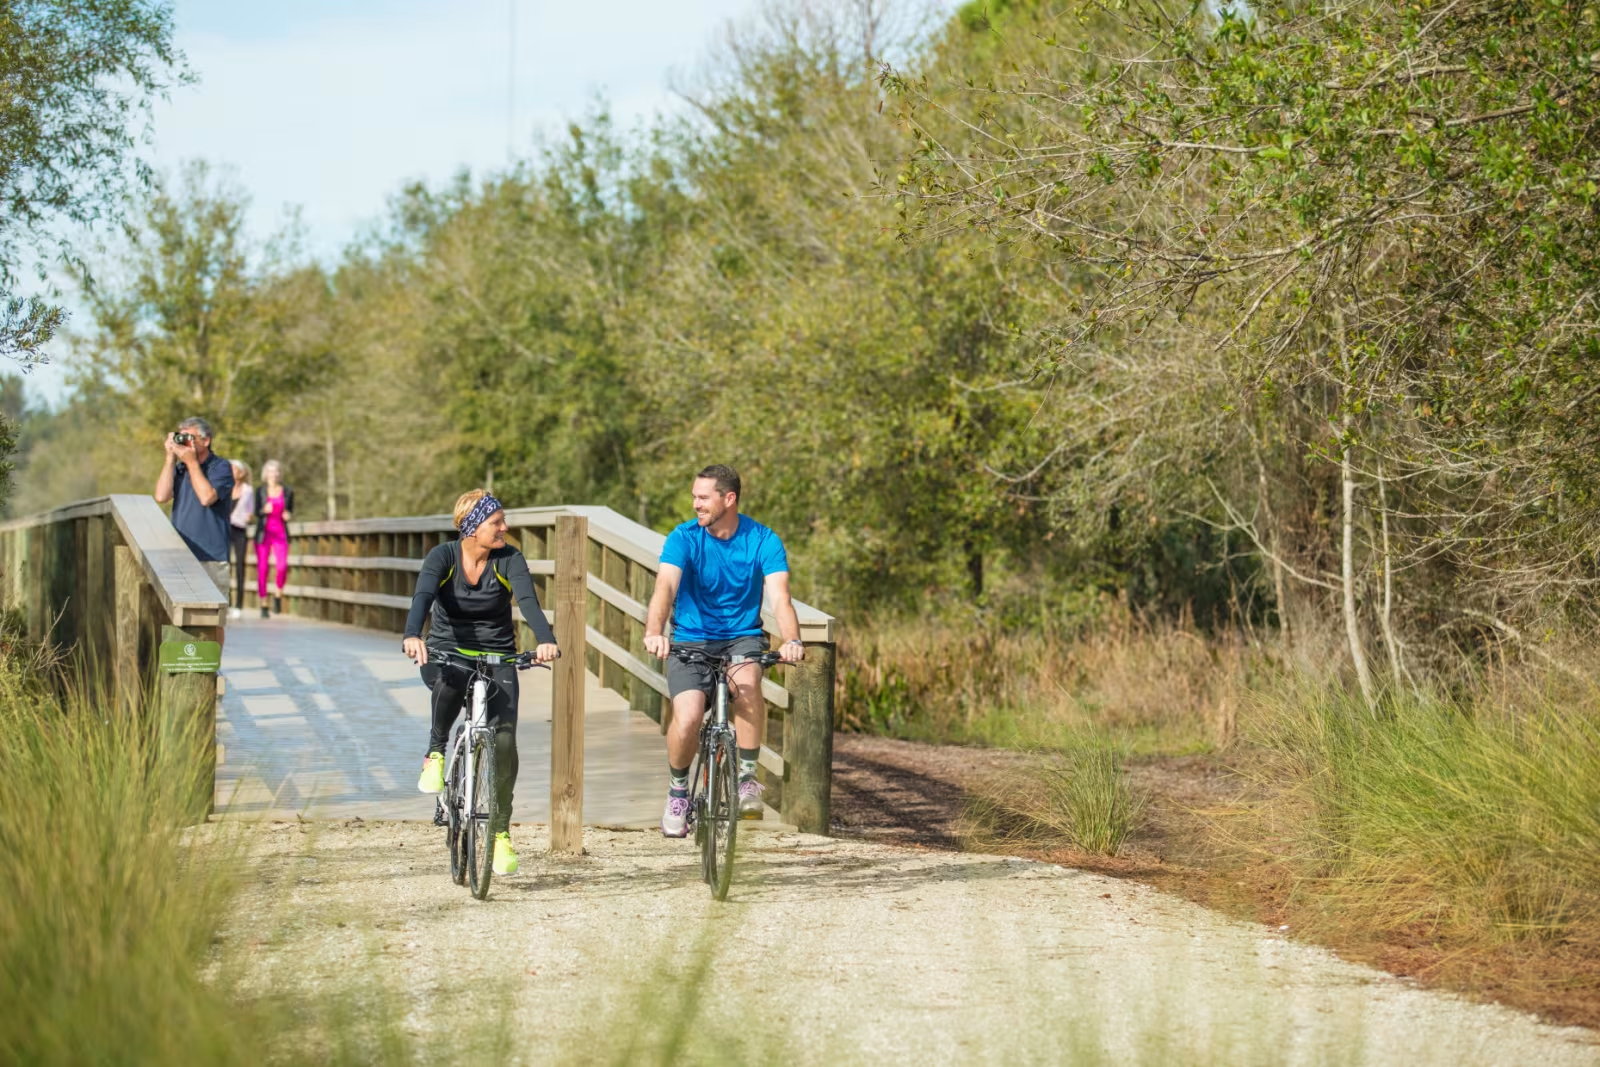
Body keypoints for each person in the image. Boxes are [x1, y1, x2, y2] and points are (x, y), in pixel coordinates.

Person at [402, 490, 559, 876]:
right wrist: (413, 634)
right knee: (452, 678)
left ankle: (501, 833)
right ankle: (436, 753)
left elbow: (528, 602)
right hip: (446, 651)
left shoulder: (509, 559)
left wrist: (545, 640)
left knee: (505, 741)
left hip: (498, 655)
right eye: (497, 523)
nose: (505, 529)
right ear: (471, 528)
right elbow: (423, 596)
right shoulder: (443, 557)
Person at [643, 464, 805, 837]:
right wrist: (655, 631)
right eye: (694, 496)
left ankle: (747, 780)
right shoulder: (683, 537)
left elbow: (780, 599)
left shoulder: (763, 540)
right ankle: (678, 791)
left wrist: (792, 640)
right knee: (687, 716)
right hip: (689, 638)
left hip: (742, 636)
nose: (695, 504)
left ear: (728, 499)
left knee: (747, 682)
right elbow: (664, 588)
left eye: (703, 497)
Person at [153, 416, 234, 602]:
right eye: (180, 439)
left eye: (189, 438)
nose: (184, 444)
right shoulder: (180, 468)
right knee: (181, 615)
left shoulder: (221, 467)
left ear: (206, 440)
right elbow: (161, 496)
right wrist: (170, 459)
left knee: (213, 621)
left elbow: (207, 498)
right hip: (181, 554)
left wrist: (192, 463)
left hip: (211, 556)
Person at [254, 460, 293, 618]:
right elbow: (256, 512)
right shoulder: (260, 491)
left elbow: (290, 510)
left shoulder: (288, 491)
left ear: (279, 473)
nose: (274, 474)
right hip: (264, 534)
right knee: (262, 568)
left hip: (281, 533)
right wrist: (264, 510)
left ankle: (278, 595)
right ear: (266, 474)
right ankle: (264, 604)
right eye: (270, 471)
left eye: (276, 471)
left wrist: (288, 514)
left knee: (282, 566)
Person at [228, 460, 255, 619]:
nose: (232, 471)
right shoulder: (224, 488)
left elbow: (250, 511)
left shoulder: (248, 490)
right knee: (225, 566)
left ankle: (239, 605)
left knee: (240, 566)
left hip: (239, 530)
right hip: (225, 528)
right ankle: (228, 601)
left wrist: (249, 517)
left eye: (235, 469)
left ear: (242, 473)